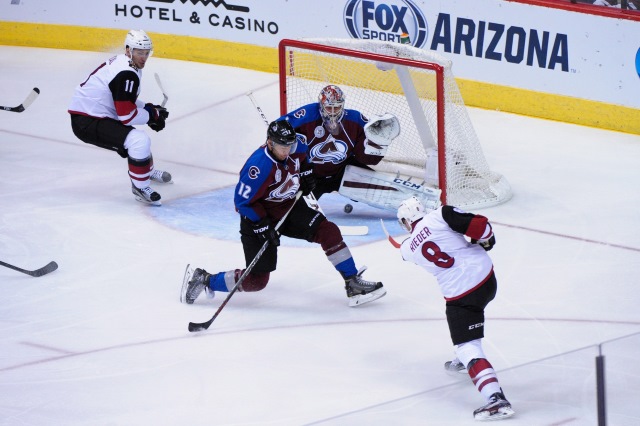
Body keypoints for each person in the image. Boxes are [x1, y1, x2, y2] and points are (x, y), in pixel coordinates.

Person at [180, 119, 386, 307]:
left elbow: (303, 159)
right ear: (269, 143)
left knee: (328, 230)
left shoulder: (296, 145)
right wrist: (262, 225)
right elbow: (242, 203)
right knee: (257, 281)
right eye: (282, 147)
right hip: (258, 218)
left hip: (289, 207)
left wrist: (306, 175)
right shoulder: (258, 166)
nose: (287, 150)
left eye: (289, 145)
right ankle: (204, 279)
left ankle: (352, 283)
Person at [394, 196, 515, 421]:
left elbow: (404, 249)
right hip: (487, 279)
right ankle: (462, 361)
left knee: (467, 345)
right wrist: (486, 239)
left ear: (406, 222)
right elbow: (482, 227)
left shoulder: (408, 248)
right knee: (471, 317)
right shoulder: (441, 215)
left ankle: (495, 399)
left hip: (462, 294)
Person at [68, 29, 172, 206]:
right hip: (87, 121)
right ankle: (140, 187)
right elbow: (126, 116)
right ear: (128, 50)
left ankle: (146, 171)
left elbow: (123, 98)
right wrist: (151, 115)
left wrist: (148, 107)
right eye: (140, 53)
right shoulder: (127, 72)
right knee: (138, 140)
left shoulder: (126, 63)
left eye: (147, 53)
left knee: (136, 139)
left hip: (94, 113)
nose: (144, 57)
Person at [278, 85, 395, 200]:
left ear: (342, 105)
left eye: (337, 107)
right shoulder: (308, 114)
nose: (333, 112)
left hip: (343, 172)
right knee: (296, 213)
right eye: (329, 108)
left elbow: (367, 158)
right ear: (321, 105)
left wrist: (378, 144)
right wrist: (300, 168)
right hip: (312, 177)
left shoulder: (355, 119)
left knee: (384, 193)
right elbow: (280, 126)